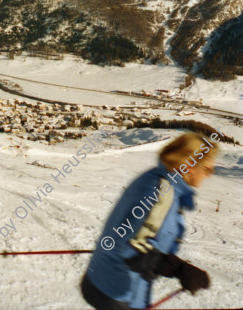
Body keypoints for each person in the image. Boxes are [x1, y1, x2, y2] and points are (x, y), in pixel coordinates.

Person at [80, 132, 220, 310]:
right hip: (117, 292)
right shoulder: (161, 194)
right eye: (208, 169)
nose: (211, 174)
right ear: (190, 167)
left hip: (104, 279)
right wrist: (179, 269)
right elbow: (128, 249)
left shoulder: (158, 178)